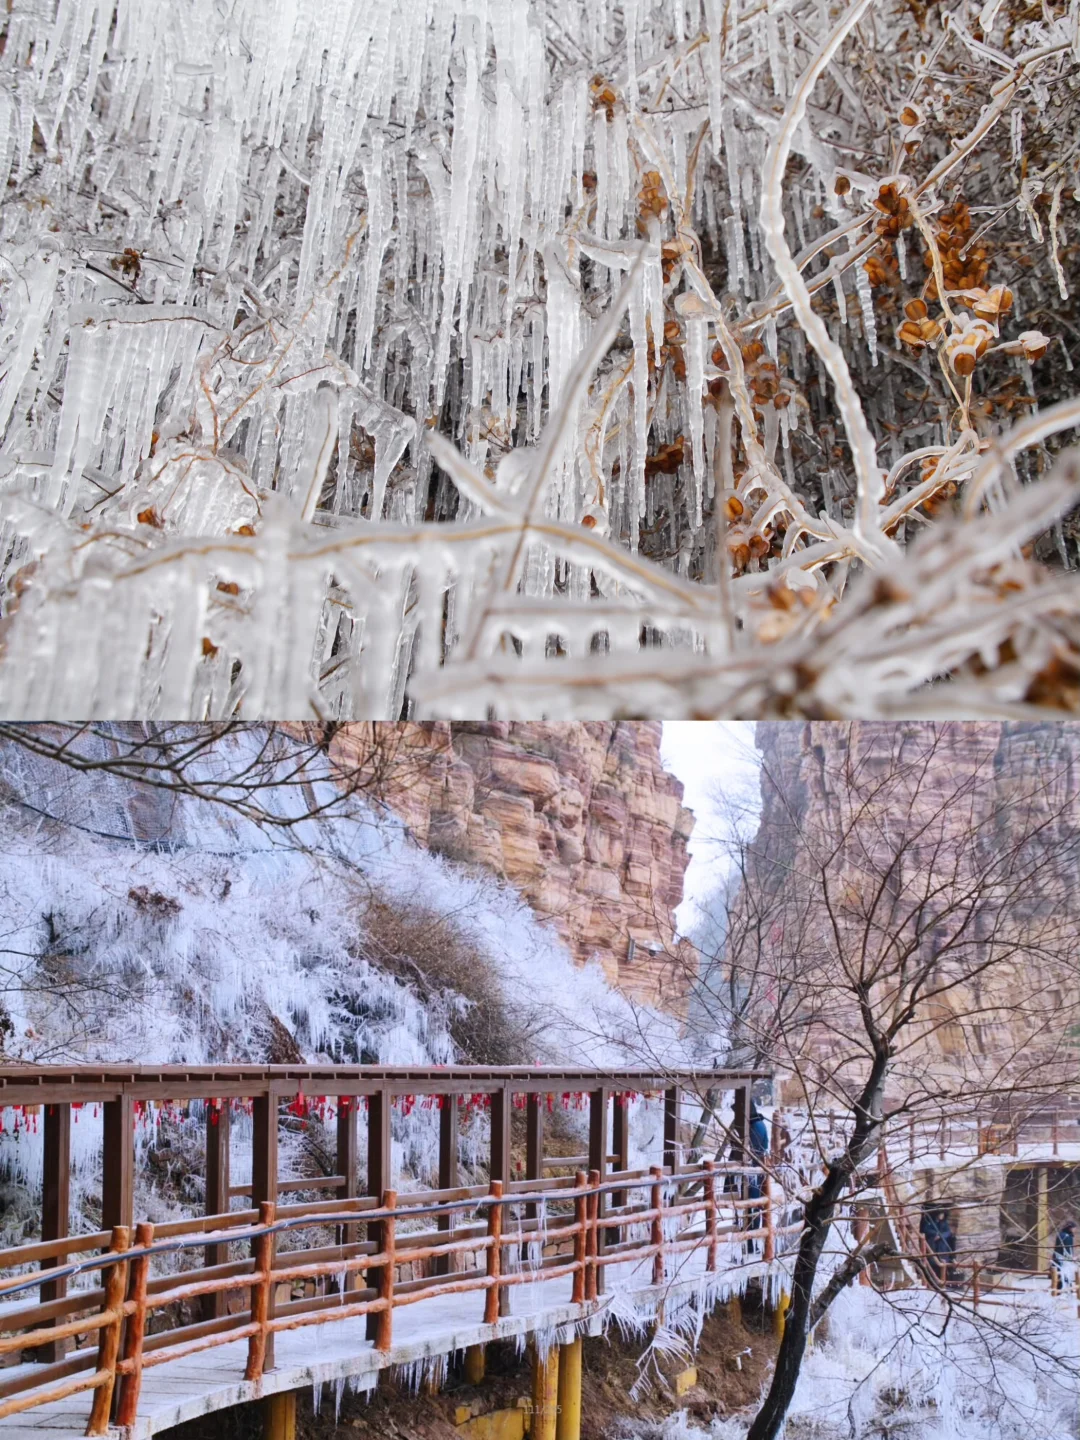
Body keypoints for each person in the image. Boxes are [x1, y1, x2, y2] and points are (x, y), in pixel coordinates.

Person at [1051, 1220, 1075, 1294]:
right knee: (1064, 1275)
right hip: (1063, 1260)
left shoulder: (1061, 1235)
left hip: (1058, 1259)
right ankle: (1063, 1291)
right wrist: (1071, 1258)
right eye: (1073, 1228)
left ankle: (1059, 1291)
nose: (1074, 1230)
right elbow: (1067, 1250)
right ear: (1070, 1228)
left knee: (1060, 1276)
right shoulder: (1066, 1236)